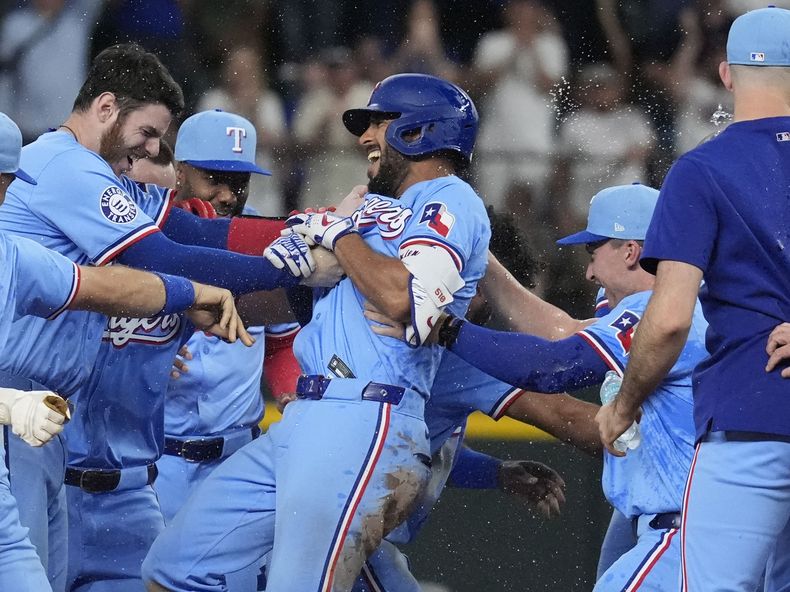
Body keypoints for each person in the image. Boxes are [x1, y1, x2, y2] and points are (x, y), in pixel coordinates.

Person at [143, 72, 491, 592]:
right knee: (173, 568)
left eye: (379, 124)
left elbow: (402, 298)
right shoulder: (375, 210)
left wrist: (340, 234)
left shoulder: (451, 199)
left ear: (420, 133)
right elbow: (299, 299)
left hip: (364, 414)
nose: (364, 138)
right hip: (306, 418)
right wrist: (248, 283)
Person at [0, 44, 325, 592]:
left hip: (62, 435)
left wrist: (310, 233)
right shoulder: (64, 165)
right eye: (148, 134)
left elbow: (191, 236)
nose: (153, 151)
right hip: (18, 407)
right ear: (106, 107)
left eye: (160, 143)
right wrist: (289, 256)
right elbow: (164, 258)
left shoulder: (105, 173)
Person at [0, 112, 248, 592]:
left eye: (9, 184)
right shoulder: (37, 240)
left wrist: (188, 295)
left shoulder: (17, 257)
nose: (5, 198)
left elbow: (98, 285)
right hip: (33, 460)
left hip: (114, 485)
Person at [420, 183, 709, 590]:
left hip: (685, 523)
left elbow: (553, 366)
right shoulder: (670, 309)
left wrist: (447, 327)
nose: (589, 272)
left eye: (594, 253)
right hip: (665, 518)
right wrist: (481, 253)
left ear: (631, 251)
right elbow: (562, 333)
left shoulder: (663, 313)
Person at [595, 7, 790, 591]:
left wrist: (624, 405)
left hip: (751, 415)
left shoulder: (702, 169)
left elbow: (670, 319)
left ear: (726, 74)